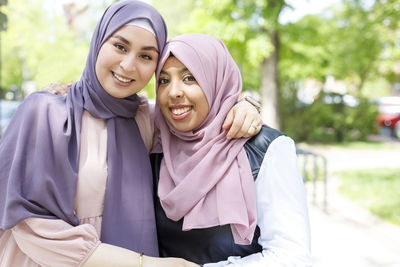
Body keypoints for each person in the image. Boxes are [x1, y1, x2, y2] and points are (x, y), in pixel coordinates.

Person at [0, 1, 261, 266]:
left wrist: (245, 105)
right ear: (99, 42)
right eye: (120, 47)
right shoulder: (45, 111)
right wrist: (144, 264)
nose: (128, 65)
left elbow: (204, 111)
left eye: (146, 56)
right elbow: (27, 223)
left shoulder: (145, 120)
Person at [151, 33, 312, 266]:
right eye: (164, 81)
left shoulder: (264, 149)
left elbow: (291, 256)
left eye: (189, 78)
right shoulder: (155, 147)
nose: (173, 92)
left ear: (216, 80)